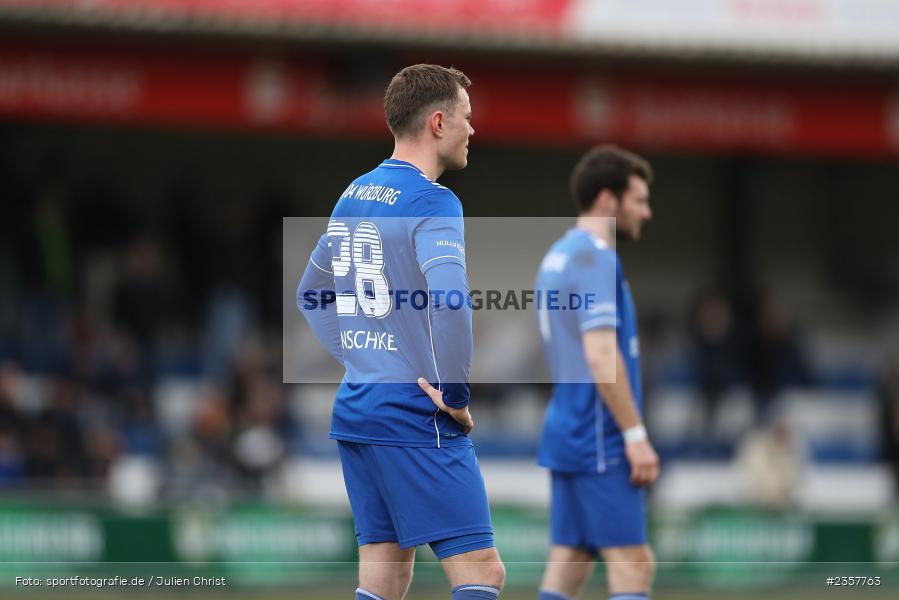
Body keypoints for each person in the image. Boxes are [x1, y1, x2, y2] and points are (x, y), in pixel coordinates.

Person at [297, 64, 504, 600]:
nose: (472, 129)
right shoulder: (435, 201)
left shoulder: (354, 193)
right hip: (415, 414)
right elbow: (452, 302)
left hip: (359, 408)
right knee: (481, 570)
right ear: (438, 123)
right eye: (466, 117)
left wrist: (366, 358)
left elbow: (310, 293)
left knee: (385, 574)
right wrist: (455, 397)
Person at [535, 146, 659, 600]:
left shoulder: (558, 256)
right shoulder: (595, 258)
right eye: (639, 200)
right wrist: (635, 435)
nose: (646, 212)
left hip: (567, 428)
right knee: (633, 562)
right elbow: (601, 356)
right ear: (608, 199)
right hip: (600, 437)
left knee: (571, 558)